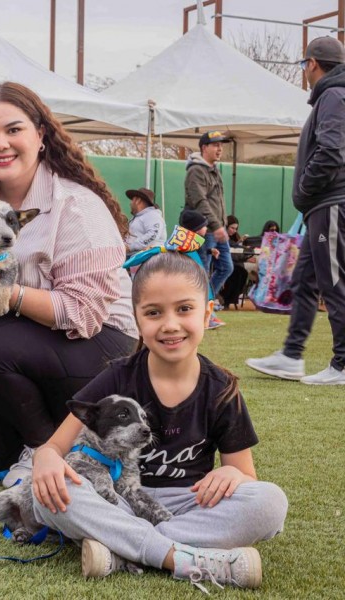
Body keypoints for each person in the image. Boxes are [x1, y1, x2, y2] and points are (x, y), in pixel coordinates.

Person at [30, 251, 288, 590]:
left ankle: (125, 549)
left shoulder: (222, 389)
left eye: (184, 309)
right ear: (137, 319)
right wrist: (45, 458)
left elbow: (246, 476)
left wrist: (231, 473)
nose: (169, 324)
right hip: (118, 500)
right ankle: (183, 558)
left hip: (187, 505)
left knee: (270, 502)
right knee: (50, 494)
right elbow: (54, 447)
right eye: (154, 312)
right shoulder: (117, 378)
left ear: (207, 313)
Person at [0, 82, 139, 477]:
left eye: (13, 130)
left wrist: (1, 293)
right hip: (25, 346)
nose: (0, 144)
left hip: (101, 346)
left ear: (40, 135)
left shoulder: (75, 206)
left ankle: (51, 456)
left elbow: (83, 313)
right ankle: (43, 432)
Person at [247, 36, 345, 386]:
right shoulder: (332, 96)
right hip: (322, 206)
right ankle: (291, 356)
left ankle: (343, 363)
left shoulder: (333, 96)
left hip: (329, 204)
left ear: (313, 64)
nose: (304, 72)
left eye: (304, 65)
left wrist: (303, 190)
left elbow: (332, 152)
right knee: (305, 281)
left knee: (333, 283)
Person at [184, 131, 234, 302]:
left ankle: (206, 304)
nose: (220, 149)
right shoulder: (196, 171)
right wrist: (218, 225)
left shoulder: (214, 170)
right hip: (204, 230)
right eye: (215, 145)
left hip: (217, 230)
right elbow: (200, 201)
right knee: (201, 272)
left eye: (221, 145)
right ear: (204, 147)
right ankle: (202, 309)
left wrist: (222, 225)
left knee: (226, 268)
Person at [178, 209, 225, 328]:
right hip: (196, 273)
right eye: (205, 226)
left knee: (204, 294)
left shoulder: (196, 241)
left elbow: (201, 252)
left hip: (199, 272)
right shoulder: (190, 243)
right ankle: (207, 318)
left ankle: (210, 317)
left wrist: (210, 251)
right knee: (202, 295)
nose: (207, 229)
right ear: (197, 228)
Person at [124, 187, 166, 255]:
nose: (130, 203)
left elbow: (152, 235)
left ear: (138, 200)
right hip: (137, 259)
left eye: (132, 200)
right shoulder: (139, 217)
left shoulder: (152, 215)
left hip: (147, 260)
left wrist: (130, 247)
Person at [220, 215, 250, 310]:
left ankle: (231, 299)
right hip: (221, 264)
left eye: (236, 228)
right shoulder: (222, 238)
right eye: (232, 228)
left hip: (233, 263)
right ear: (226, 226)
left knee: (242, 272)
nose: (234, 231)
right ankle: (225, 299)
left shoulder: (232, 239)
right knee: (236, 272)